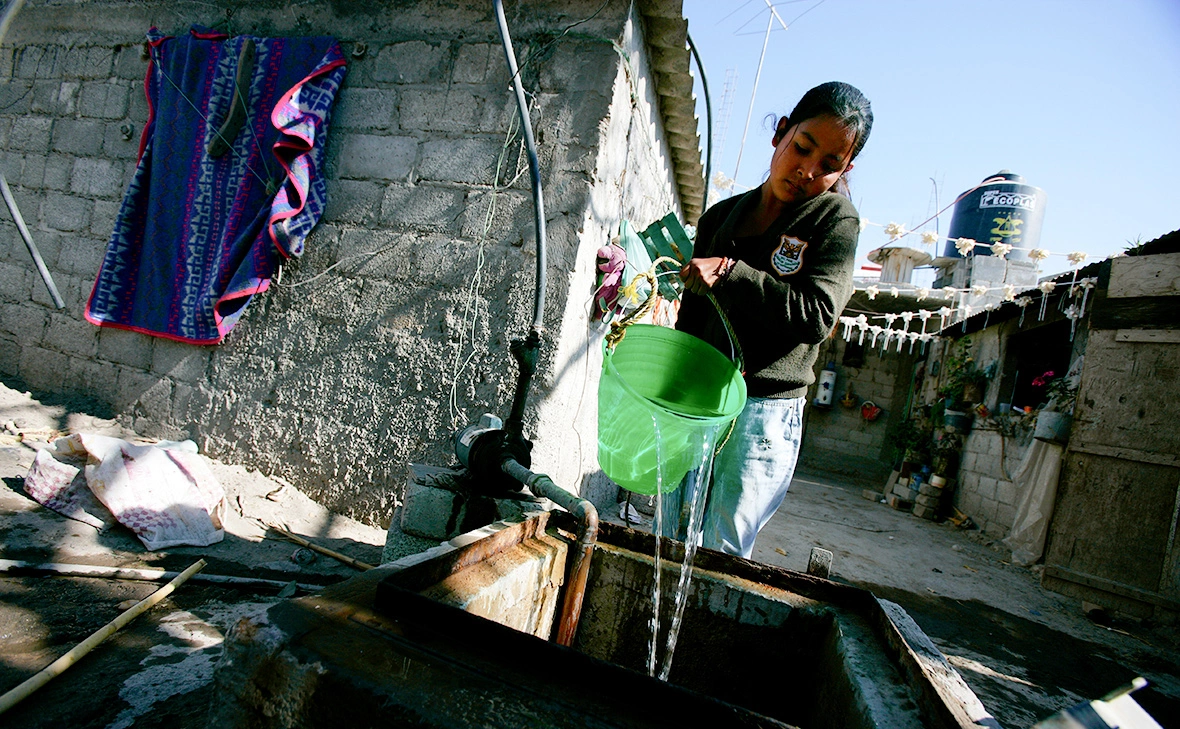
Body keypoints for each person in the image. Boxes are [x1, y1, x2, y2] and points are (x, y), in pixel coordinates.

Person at [661, 81, 873, 558]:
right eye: (802, 147)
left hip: (763, 411)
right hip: (697, 398)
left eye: (829, 166)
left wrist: (732, 272)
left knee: (723, 550)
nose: (807, 170)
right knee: (670, 537)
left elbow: (816, 315)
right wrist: (671, 393)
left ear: (845, 170)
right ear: (780, 133)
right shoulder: (719, 218)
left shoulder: (834, 221)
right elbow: (693, 316)